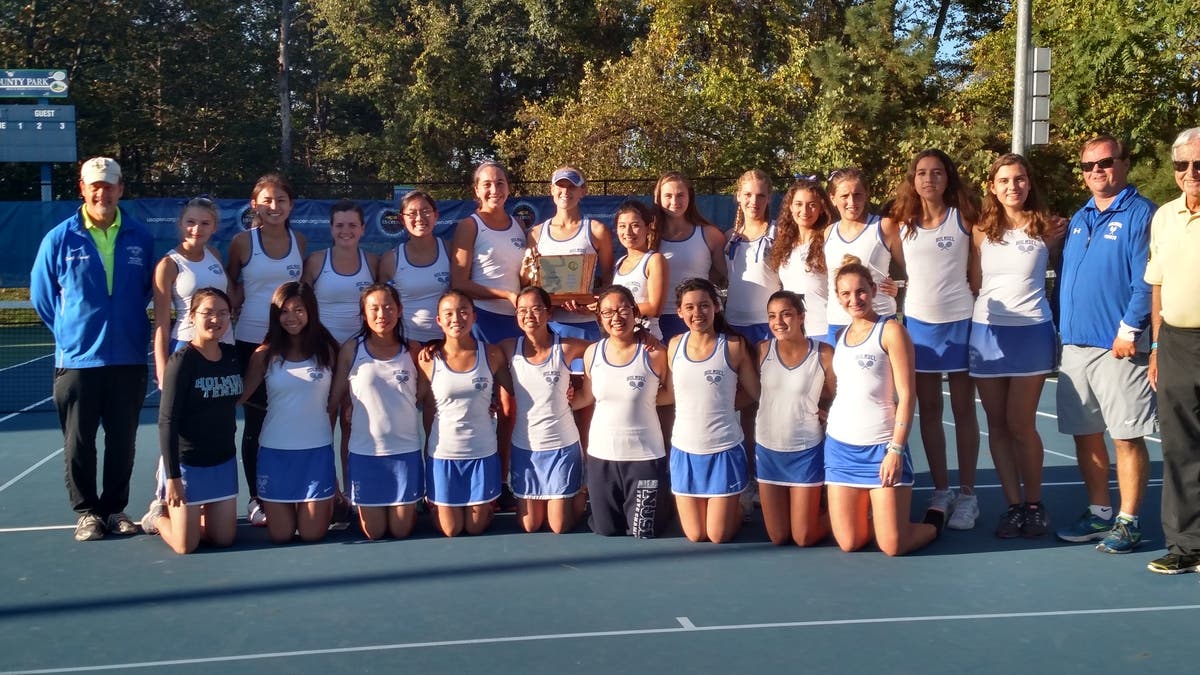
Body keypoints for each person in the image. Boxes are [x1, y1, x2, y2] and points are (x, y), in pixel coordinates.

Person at [31, 157, 154, 541]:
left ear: (121, 189)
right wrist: (72, 334)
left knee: (123, 442)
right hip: (78, 361)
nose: (103, 192)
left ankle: (115, 509)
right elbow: (42, 297)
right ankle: (87, 513)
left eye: (109, 185)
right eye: (95, 186)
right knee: (79, 443)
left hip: (128, 358)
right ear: (83, 189)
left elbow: (146, 290)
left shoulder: (140, 236)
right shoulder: (58, 238)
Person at [1054, 135, 1157, 554]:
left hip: (1118, 348)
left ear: (1124, 164)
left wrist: (1129, 331)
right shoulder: (1079, 217)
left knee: (1126, 437)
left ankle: (1129, 521)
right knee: (1086, 435)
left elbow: (1148, 281)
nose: (1096, 170)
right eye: (1088, 165)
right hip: (1074, 346)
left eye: (1105, 162)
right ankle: (1099, 513)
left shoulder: (1141, 214)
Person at [887, 149, 982, 530]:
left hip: (960, 322)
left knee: (963, 410)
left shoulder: (965, 218)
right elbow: (899, 269)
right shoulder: (901, 224)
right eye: (922, 173)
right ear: (913, 180)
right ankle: (942, 490)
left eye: (937, 172)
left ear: (948, 178)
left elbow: (977, 268)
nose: (929, 179)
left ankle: (968, 495)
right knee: (928, 410)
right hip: (919, 327)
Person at [968, 153, 1059, 539]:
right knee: (998, 426)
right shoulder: (980, 230)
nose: (1012, 186)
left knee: (1021, 424)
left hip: (1032, 334)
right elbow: (975, 283)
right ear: (992, 187)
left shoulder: (1048, 228)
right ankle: (1014, 506)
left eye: (1019, 179)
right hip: (986, 335)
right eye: (1004, 180)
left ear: (1029, 182)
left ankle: (1035, 505)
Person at [824, 262, 939, 556]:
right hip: (840, 449)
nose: (854, 299)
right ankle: (880, 516)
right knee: (850, 542)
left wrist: (895, 450)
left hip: (881, 449)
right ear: (838, 297)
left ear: (873, 290)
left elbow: (908, 395)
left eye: (861, 291)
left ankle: (934, 523)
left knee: (892, 546)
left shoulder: (891, 331)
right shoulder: (839, 336)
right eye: (846, 294)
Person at [225, 173, 306, 527]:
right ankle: (257, 498)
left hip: (291, 343)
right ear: (254, 204)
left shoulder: (299, 241)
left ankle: (290, 490)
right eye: (267, 200)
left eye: (281, 200)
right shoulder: (243, 242)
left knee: (290, 418)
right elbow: (230, 284)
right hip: (250, 342)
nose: (274, 207)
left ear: (291, 205)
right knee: (256, 423)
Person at [140, 288, 241, 554]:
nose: (215, 319)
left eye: (223, 313)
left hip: (223, 461)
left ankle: (196, 518)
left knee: (224, 539)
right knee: (185, 545)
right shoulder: (182, 361)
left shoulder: (232, 356)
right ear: (192, 316)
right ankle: (157, 517)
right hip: (188, 466)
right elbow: (167, 421)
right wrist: (173, 477)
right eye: (208, 313)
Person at [238, 281, 339, 544]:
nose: (291, 317)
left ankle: (330, 501)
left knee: (311, 534)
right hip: (275, 453)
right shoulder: (264, 355)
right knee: (281, 535)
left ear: (311, 312)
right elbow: (239, 397)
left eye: (298, 310)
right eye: (284, 311)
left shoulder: (327, 351)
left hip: (316, 453)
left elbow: (343, 396)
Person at [328, 284, 426, 540]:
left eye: (388, 307)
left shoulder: (414, 350)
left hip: (405, 453)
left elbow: (428, 394)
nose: (382, 314)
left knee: (401, 531)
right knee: (374, 532)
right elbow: (334, 399)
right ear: (364, 314)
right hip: (365, 454)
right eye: (374, 308)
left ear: (400, 310)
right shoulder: (352, 349)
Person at [1144, 127, 1200, 574]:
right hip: (1177, 343)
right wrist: (1157, 346)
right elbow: (1157, 285)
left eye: (1199, 164)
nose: (1191, 173)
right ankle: (1186, 546)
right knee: (1179, 448)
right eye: (1182, 165)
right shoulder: (1164, 217)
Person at [668, 278, 761, 543]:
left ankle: (740, 505)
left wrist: (725, 403)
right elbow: (672, 392)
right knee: (696, 535)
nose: (697, 313)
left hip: (724, 450)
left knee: (718, 535)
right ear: (680, 312)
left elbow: (755, 394)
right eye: (690, 307)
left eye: (704, 305)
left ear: (716, 307)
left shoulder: (733, 346)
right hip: (684, 451)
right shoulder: (674, 345)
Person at [577, 285, 673, 537]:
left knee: (644, 531)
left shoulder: (655, 354)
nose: (616, 317)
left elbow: (670, 395)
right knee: (606, 530)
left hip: (644, 456)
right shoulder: (592, 353)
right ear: (599, 318)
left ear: (635, 312)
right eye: (608, 312)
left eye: (622, 310)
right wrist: (556, 400)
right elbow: (586, 396)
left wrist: (644, 400)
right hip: (601, 456)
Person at [417, 290, 514, 537]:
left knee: (475, 527)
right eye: (448, 313)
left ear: (474, 316)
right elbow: (421, 403)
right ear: (439, 320)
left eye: (463, 312)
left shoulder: (492, 354)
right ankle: (435, 502)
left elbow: (515, 391)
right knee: (450, 530)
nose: (456, 318)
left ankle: (484, 504)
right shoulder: (427, 359)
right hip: (443, 454)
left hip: (482, 452)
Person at [303, 199, 378, 518]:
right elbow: (303, 307)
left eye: (352, 225)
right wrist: (327, 347)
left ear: (362, 229)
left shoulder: (372, 262)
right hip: (323, 356)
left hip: (361, 359)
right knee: (323, 424)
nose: (346, 231)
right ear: (331, 228)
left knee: (352, 425)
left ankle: (351, 495)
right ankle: (327, 493)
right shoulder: (316, 261)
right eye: (339, 225)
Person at [500, 286, 590, 533]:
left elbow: (605, 349)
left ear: (549, 313)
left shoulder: (567, 347)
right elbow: (471, 355)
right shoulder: (507, 348)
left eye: (536, 309)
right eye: (522, 310)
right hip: (525, 449)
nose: (529, 315)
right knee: (529, 525)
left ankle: (582, 491)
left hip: (562, 447)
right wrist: (434, 345)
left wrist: (582, 387)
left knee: (559, 526)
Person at [755, 290, 834, 546]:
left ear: (801, 317)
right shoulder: (762, 350)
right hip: (768, 452)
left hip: (805, 451)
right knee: (779, 537)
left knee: (803, 537)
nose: (778, 322)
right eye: (772, 316)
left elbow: (837, 393)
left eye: (786, 314)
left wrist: (826, 411)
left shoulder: (823, 354)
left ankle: (848, 512)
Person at [152, 197, 231, 391]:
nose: (197, 229)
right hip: (187, 345)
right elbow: (161, 323)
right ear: (180, 224)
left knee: (220, 406)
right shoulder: (168, 264)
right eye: (191, 222)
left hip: (223, 344)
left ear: (214, 227)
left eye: (205, 223)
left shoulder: (215, 254)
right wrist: (162, 372)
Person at [527, 167, 614, 340]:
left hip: (585, 324)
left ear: (583, 191)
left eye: (572, 186)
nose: (565, 191)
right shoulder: (535, 234)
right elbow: (531, 281)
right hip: (547, 325)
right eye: (560, 186)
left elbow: (609, 279)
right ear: (552, 190)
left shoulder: (597, 230)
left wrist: (595, 302)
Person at [823, 168, 904, 343]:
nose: (851, 202)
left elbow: (910, 268)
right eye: (844, 196)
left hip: (879, 320)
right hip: (838, 322)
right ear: (833, 198)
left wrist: (898, 286)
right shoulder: (828, 232)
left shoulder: (884, 226)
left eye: (857, 195)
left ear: (866, 195)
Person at [450, 161, 527, 344]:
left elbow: (522, 279)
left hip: (518, 318)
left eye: (500, 183)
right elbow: (459, 283)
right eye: (487, 184)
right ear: (476, 190)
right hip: (483, 318)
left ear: (508, 188)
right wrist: (506, 295)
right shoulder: (469, 226)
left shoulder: (519, 225)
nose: (494, 190)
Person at [654, 172, 727, 339]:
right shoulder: (648, 235)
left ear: (690, 197)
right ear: (658, 198)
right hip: (656, 320)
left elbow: (724, 274)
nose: (674, 201)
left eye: (680, 195)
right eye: (668, 196)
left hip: (698, 319)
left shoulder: (710, 234)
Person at [378, 190, 451, 345]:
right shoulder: (390, 259)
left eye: (425, 211)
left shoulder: (452, 251)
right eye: (412, 213)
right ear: (402, 219)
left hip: (447, 342)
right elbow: (382, 306)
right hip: (406, 343)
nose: (419, 218)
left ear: (436, 215)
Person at [769, 178, 835, 343]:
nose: (804, 210)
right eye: (799, 204)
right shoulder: (784, 244)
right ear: (790, 207)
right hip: (793, 333)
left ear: (821, 208)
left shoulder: (830, 240)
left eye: (812, 205)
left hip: (823, 330)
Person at [724, 169, 781, 343]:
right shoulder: (729, 236)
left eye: (761, 195)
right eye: (748, 194)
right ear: (738, 196)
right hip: (732, 323)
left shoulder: (778, 233)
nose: (754, 201)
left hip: (769, 323)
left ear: (769, 198)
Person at [612, 199, 668, 340]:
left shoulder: (655, 260)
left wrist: (611, 308)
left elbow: (654, 308)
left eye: (635, 225)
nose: (628, 232)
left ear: (648, 228)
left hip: (648, 341)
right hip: (622, 341)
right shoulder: (619, 263)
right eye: (622, 226)